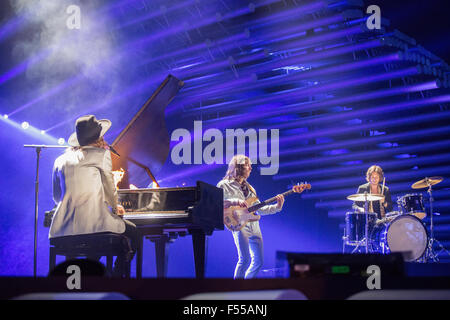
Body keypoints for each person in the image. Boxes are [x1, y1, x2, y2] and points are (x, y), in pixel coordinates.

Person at [49, 115, 138, 277]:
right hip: (93, 226)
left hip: (61, 229)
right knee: (134, 233)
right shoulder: (101, 155)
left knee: (95, 244)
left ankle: (89, 277)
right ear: (99, 137)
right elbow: (111, 191)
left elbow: (56, 197)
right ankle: (116, 278)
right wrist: (115, 206)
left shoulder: (59, 160)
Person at [216, 155, 284, 279]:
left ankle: (245, 286)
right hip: (239, 224)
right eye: (248, 165)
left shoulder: (250, 188)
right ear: (238, 167)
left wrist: (277, 206)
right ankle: (236, 292)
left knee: (258, 261)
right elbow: (217, 203)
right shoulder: (224, 185)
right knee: (245, 259)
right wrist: (234, 201)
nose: (251, 169)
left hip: (254, 225)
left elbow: (260, 209)